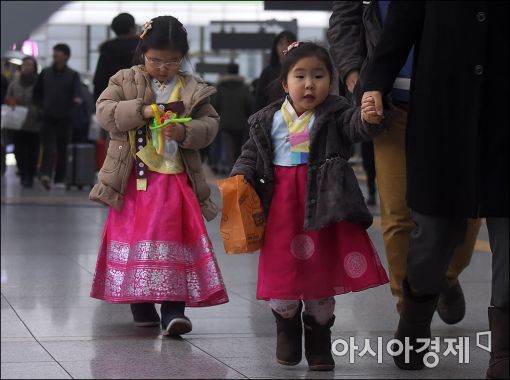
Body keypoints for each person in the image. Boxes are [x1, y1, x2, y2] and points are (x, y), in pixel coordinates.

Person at [360, 2, 509, 376]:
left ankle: (504, 350)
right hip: (442, 117)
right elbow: (399, 29)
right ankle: (414, 320)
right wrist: (375, 83)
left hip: (505, 117)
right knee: (434, 236)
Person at [230, 41, 389, 371]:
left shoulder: (337, 115)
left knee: (320, 276)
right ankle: (286, 327)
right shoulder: (266, 120)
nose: (309, 84)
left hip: (324, 209)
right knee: (283, 277)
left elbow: (357, 128)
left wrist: (369, 117)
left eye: (318, 76)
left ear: (330, 82)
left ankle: (319, 337)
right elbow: (249, 154)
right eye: (299, 76)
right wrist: (241, 176)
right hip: (281, 211)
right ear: (285, 83)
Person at [328, 0, 481, 320]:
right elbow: (344, 18)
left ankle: (444, 277)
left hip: (457, 102)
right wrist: (358, 80)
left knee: (468, 208)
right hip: (389, 104)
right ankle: (409, 310)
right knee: (398, 212)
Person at [89, 15, 229, 337]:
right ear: (142, 53)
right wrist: (141, 111)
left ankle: (173, 309)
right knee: (136, 237)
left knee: (171, 238)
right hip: (133, 179)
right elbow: (104, 113)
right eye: (155, 60)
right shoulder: (123, 80)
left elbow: (210, 125)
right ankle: (140, 302)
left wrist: (185, 131)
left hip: (174, 177)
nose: (163, 67)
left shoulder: (192, 87)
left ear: (182, 58)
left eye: (172, 61)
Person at [33, 43, 82, 190]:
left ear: (66, 56)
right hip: (48, 116)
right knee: (48, 146)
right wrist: (41, 107)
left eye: (58, 53)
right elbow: (37, 92)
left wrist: (73, 109)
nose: (55, 55)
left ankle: (60, 178)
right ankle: (46, 174)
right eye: (54, 52)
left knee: (62, 148)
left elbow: (77, 95)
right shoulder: (45, 73)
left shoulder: (73, 75)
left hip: (65, 117)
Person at [5, 56, 41, 188]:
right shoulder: (15, 83)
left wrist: (39, 112)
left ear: (34, 67)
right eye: (24, 65)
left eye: (30, 65)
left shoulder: (38, 82)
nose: (27, 67)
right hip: (17, 122)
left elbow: (43, 99)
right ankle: (23, 172)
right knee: (19, 150)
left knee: (32, 151)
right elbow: (8, 97)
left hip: (34, 121)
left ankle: (30, 176)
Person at [212, 62, 253, 173]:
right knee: (239, 147)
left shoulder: (220, 87)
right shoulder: (244, 87)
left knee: (228, 147)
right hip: (241, 123)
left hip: (225, 123)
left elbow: (216, 104)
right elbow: (249, 104)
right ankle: (239, 170)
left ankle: (232, 170)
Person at [93, 12, 139, 102]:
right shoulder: (143, 46)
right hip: (139, 98)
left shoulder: (107, 48)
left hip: (114, 99)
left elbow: (99, 80)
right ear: (132, 28)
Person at [254, 30, 296, 112]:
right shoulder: (268, 71)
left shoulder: (301, 69)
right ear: (275, 47)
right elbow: (260, 99)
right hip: (272, 116)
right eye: (281, 44)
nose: (285, 47)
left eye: (288, 44)